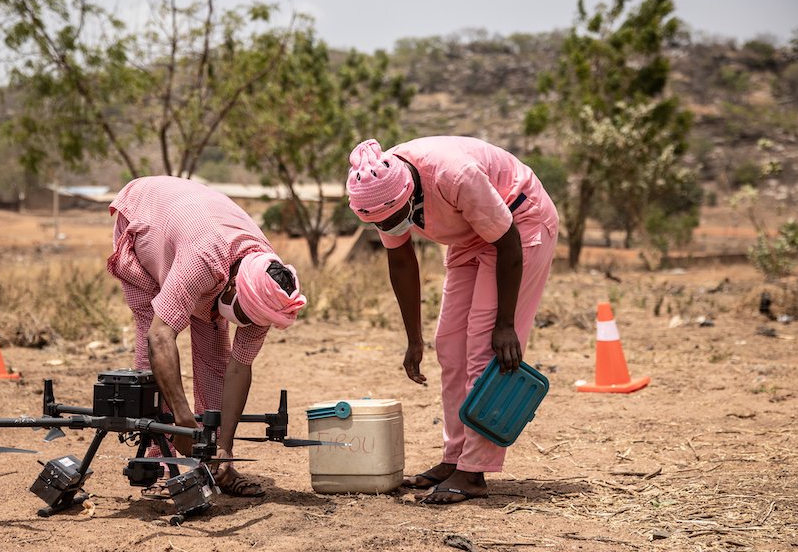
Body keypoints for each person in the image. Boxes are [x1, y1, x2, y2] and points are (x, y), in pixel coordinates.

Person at [345, 137, 559, 504]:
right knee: (450, 346)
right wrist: (414, 339)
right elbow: (401, 261)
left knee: (484, 350)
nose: (392, 227)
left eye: (397, 219)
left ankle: (473, 471)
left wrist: (505, 324)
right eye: (382, 224)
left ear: (408, 193)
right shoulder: (377, 187)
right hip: (471, 233)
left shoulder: (453, 175)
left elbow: (507, 241)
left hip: (520, 224)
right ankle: (455, 457)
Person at [107, 175, 307, 497]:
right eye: (243, 315)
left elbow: (238, 367)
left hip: (195, 231)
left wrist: (225, 446)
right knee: (150, 333)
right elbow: (160, 337)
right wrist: (183, 419)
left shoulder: (268, 291)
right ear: (234, 285)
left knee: (215, 348)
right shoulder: (203, 260)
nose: (246, 324)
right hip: (146, 217)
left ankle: (214, 464)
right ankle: (160, 464)